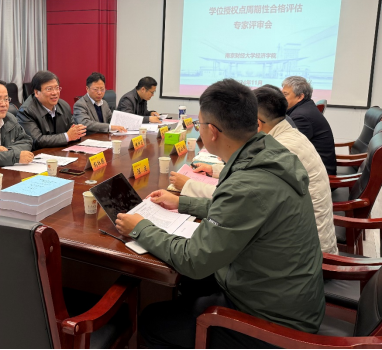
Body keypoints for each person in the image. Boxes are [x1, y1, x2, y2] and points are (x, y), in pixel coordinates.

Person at [115, 79, 325, 348]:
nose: (198, 128)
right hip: (283, 295)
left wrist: (141, 227)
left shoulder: (248, 183)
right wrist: (183, 203)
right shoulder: (269, 152)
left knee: (152, 320)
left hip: (273, 323)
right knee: (190, 286)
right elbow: (243, 212)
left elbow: (194, 259)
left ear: (212, 131)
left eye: (199, 123)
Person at [170, 86, 338, 254]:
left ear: (255, 122)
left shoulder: (281, 147)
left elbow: (237, 195)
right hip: (296, 240)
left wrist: (189, 186)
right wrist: (214, 169)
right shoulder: (286, 135)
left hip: (306, 251)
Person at [282, 76, 337, 175]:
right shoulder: (305, 108)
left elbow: (287, 149)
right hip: (315, 168)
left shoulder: (301, 117)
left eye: (285, 94)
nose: (281, 98)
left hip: (318, 175)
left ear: (300, 97)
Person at [17, 71, 86, 149]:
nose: (55, 93)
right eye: (49, 89)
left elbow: (73, 130)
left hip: (61, 151)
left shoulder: (64, 105)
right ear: (36, 93)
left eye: (57, 88)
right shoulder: (26, 111)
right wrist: (67, 136)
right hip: (38, 154)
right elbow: (36, 140)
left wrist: (77, 132)